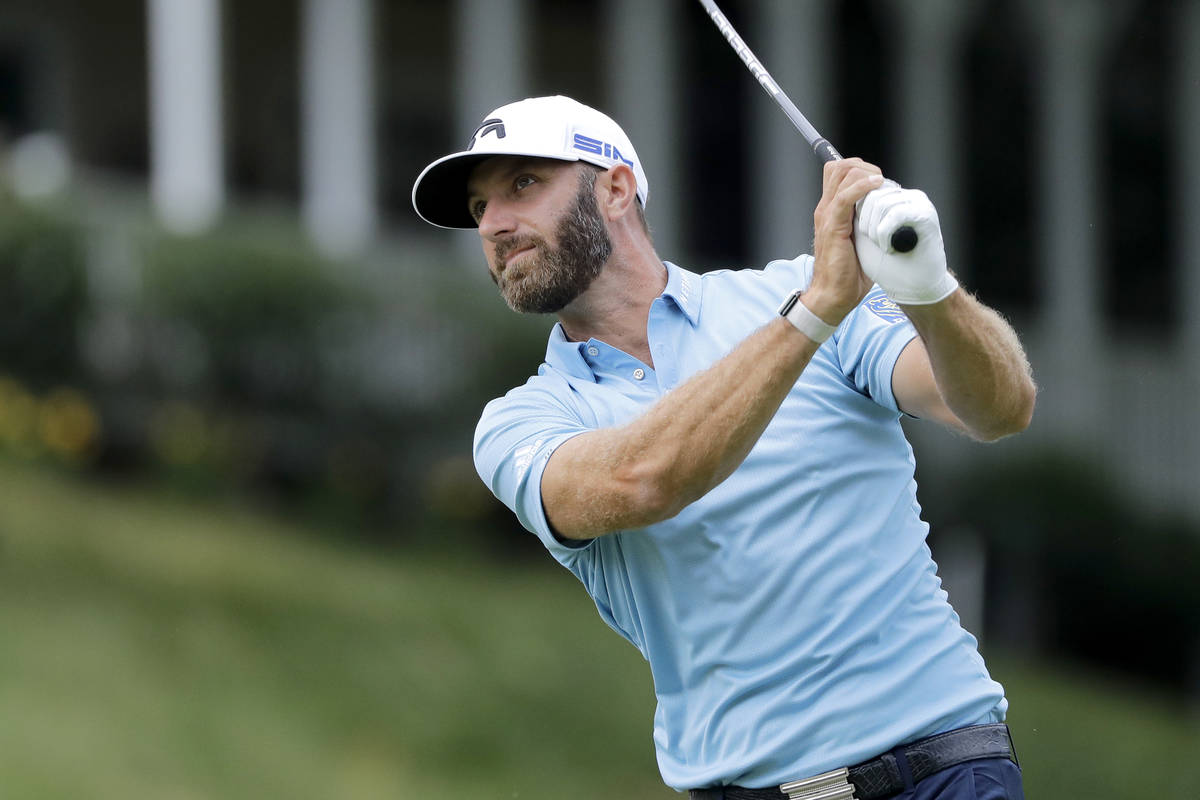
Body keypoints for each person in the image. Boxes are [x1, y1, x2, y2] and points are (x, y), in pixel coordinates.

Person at [412, 95, 1035, 800]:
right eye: (478, 208)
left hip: (944, 769)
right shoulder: (520, 422)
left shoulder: (800, 289)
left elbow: (998, 409)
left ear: (614, 188)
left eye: (522, 184)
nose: (494, 224)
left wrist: (928, 286)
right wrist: (816, 313)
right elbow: (640, 482)